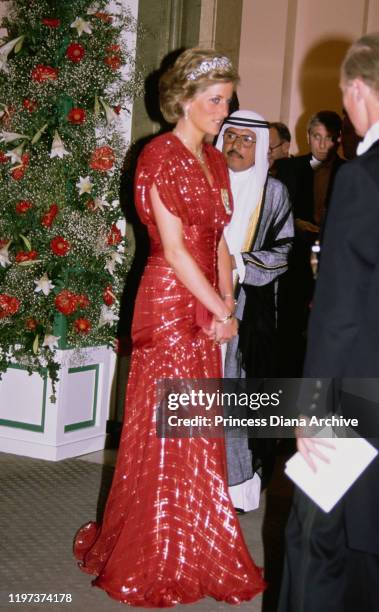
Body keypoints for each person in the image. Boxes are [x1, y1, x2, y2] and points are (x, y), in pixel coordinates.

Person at [73, 48, 265, 607]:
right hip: (169, 299)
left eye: (227, 100)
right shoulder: (158, 155)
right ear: (183, 99)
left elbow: (221, 242)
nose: (223, 110)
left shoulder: (212, 159)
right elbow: (177, 251)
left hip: (208, 294)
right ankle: (157, 549)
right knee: (164, 425)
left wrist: (229, 300)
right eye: (214, 100)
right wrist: (220, 310)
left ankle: (195, 541)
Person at [278, 32, 379, 612]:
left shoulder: (362, 177)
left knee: (318, 543)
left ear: (358, 90)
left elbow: (337, 315)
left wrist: (309, 411)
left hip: (363, 394)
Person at [216, 110, 293, 511]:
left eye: (248, 140)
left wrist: (238, 265)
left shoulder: (274, 192)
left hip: (248, 304)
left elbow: (284, 251)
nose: (237, 145)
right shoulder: (206, 182)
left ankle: (236, 487)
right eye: (232, 136)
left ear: (261, 146)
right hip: (198, 300)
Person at [274, 111, 345, 376]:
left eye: (328, 139)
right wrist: (295, 223)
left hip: (332, 262)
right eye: (317, 137)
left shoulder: (348, 171)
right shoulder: (289, 168)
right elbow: (276, 212)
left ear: (337, 140)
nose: (323, 145)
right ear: (308, 137)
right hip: (294, 258)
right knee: (289, 327)